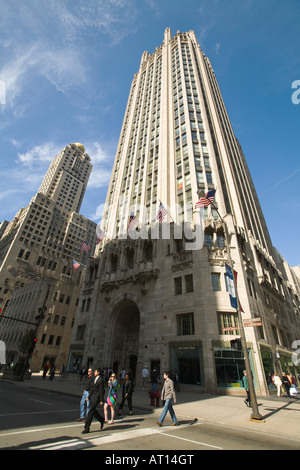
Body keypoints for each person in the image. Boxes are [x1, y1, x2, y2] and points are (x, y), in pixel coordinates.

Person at [82, 367, 105, 434]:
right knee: (93, 410)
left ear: (98, 373)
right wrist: (88, 397)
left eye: (95, 371)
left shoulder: (101, 380)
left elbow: (101, 391)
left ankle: (87, 428)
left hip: (97, 397)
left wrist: (101, 400)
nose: (94, 372)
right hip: (94, 396)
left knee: (90, 411)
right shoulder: (94, 379)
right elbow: (92, 389)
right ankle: (101, 419)